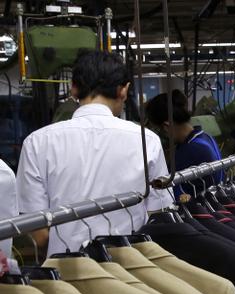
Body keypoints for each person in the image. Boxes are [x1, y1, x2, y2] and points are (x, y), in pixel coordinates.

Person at [17, 51, 169, 255]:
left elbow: (39, 234)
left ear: (74, 88)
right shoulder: (147, 140)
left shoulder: (37, 142)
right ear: (123, 91)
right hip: (133, 266)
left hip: (66, 272)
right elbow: (158, 214)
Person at [146, 90, 223, 195]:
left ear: (166, 126)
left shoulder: (190, 150)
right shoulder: (206, 137)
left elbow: (171, 192)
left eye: (159, 130)